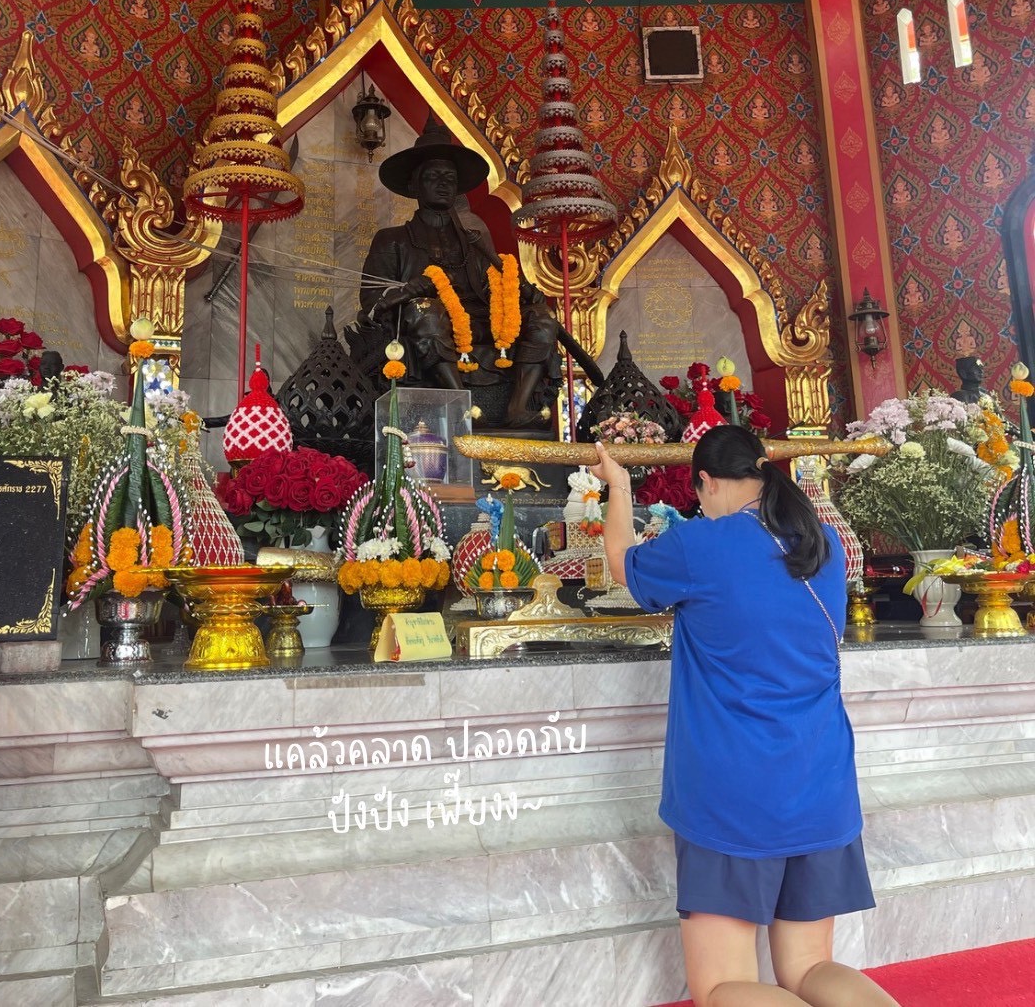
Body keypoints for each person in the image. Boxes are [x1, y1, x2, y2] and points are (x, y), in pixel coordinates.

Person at [592, 426, 900, 1007]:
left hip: (733, 790)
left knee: (723, 986)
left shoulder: (702, 545)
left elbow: (620, 564)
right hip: (821, 780)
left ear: (706, 482)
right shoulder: (823, 544)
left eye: (698, 494)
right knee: (809, 967)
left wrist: (620, 485)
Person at [358, 113, 558, 428]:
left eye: (450, 178)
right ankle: (460, 404)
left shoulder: (475, 242)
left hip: (480, 323)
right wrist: (408, 290)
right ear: (414, 185)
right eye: (433, 177)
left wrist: (519, 293)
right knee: (427, 310)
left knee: (542, 317)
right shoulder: (392, 239)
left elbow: (493, 289)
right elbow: (371, 301)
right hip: (429, 324)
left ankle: (517, 407)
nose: (443, 184)